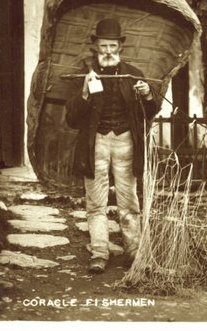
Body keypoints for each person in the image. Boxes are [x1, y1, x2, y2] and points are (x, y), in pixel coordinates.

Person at [65, 17, 161, 274]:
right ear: (95, 46)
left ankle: (133, 252)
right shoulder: (83, 76)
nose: (108, 51)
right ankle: (99, 253)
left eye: (113, 46)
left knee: (128, 201)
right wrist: (84, 92)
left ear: (120, 47)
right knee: (95, 202)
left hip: (125, 142)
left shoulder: (134, 75)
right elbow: (71, 119)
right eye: (103, 46)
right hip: (95, 143)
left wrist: (148, 94)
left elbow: (151, 111)